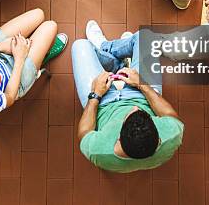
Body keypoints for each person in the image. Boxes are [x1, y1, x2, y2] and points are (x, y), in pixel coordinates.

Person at [71, 20, 184, 173]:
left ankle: (111, 59)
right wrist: (142, 85)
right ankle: (110, 53)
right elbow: (170, 115)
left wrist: (95, 95)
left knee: (80, 46)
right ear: (158, 138)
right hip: (143, 94)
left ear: (118, 139)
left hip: (102, 103)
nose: (135, 107)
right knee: (144, 36)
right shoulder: (172, 136)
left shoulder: (98, 151)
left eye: (128, 116)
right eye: (143, 114)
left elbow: (84, 132)